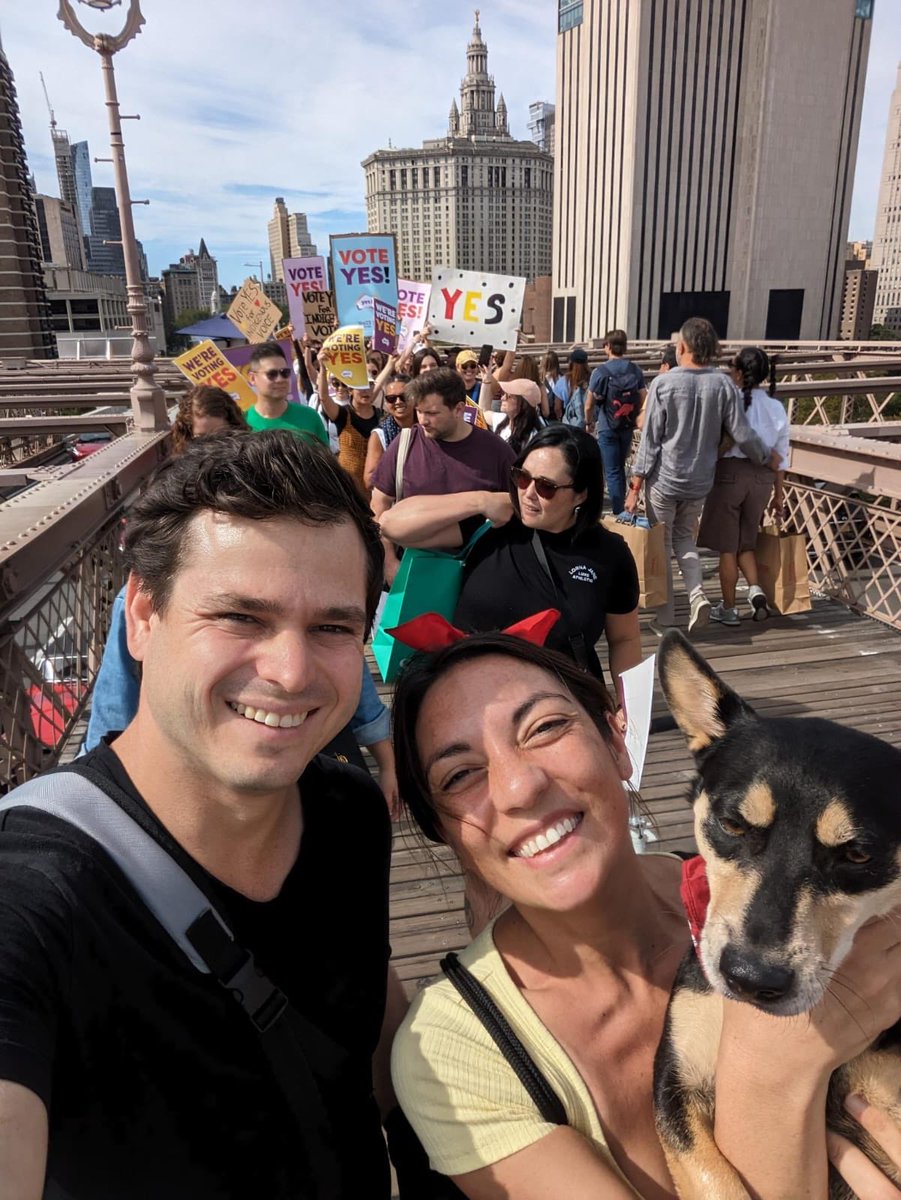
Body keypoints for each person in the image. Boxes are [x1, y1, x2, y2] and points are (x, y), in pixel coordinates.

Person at [0, 431, 400, 1198]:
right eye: (241, 617)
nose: (290, 672)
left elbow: (363, 1015)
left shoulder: (350, 813)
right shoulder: (37, 893)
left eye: (332, 628)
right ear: (142, 615)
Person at [388, 632, 901, 1199]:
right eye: (459, 775)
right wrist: (775, 1063)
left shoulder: (877, 936)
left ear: (617, 738)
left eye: (544, 728)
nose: (519, 787)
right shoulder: (457, 1056)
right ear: (439, 828)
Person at [379, 424, 640, 688]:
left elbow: (624, 639)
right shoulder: (493, 525)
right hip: (474, 696)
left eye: (545, 487)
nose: (528, 494)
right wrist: (480, 500)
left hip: (560, 702)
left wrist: (627, 708)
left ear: (581, 494)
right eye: (522, 477)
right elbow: (392, 524)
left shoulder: (609, 554)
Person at [624, 317, 776, 636]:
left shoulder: (665, 384)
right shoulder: (722, 385)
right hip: (700, 481)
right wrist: (765, 457)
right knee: (684, 538)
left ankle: (666, 618)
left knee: (665, 544)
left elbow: (650, 440)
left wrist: (636, 484)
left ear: (682, 347)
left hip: (664, 480)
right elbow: (741, 432)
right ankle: (696, 595)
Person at [371, 368, 516, 586]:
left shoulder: (496, 450)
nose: (423, 420)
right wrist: (389, 562)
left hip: (478, 576)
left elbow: (518, 508)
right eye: (419, 411)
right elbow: (378, 507)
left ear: (458, 409)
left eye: (432, 413)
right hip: (414, 574)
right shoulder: (403, 444)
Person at [699, 348, 790, 626]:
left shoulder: (728, 402)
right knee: (745, 542)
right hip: (762, 480)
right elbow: (781, 456)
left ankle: (728, 609)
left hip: (730, 475)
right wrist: (779, 495)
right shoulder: (777, 408)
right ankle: (755, 592)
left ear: (738, 372)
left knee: (728, 547)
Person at [587, 330, 648, 517]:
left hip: (607, 426)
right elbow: (644, 397)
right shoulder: (635, 370)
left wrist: (588, 423)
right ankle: (625, 508)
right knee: (620, 467)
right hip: (627, 426)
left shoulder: (600, 372)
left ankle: (619, 512)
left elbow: (588, 404)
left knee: (612, 471)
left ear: (608, 346)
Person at [315, 356, 381, 493]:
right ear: (350, 389)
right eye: (361, 386)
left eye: (370, 385)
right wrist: (322, 368)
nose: (366, 391)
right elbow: (324, 398)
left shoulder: (382, 416)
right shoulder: (343, 414)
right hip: (348, 488)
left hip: (375, 488)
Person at [244, 342, 329, 447]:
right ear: (252, 378)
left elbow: (325, 462)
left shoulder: (310, 417)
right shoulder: (242, 424)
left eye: (284, 373)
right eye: (272, 374)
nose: (280, 379)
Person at [364, 372, 415, 490]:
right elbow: (369, 480)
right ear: (386, 403)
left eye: (404, 396)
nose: (398, 402)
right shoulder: (380, 435)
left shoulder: (426, 427)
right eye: (391, 398)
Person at [170, 384, 248, 453]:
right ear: (188, 435)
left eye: (221, 436)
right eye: (202, 438)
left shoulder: (250, 462)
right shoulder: (180, 466)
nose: (212, 447)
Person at [485, 378, 547, 455]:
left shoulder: (533, 436)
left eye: (509, 396)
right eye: (503, 394)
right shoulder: (502, 420)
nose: (502, 398)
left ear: (522, 404)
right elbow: (483, 412)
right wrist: (486, 381)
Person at [553, 347, 592, 429]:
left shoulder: (563, 381)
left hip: (570, 424)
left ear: (571, 363)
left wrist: (561, 419)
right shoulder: (592, 379)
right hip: (590, 424)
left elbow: (557, 408)